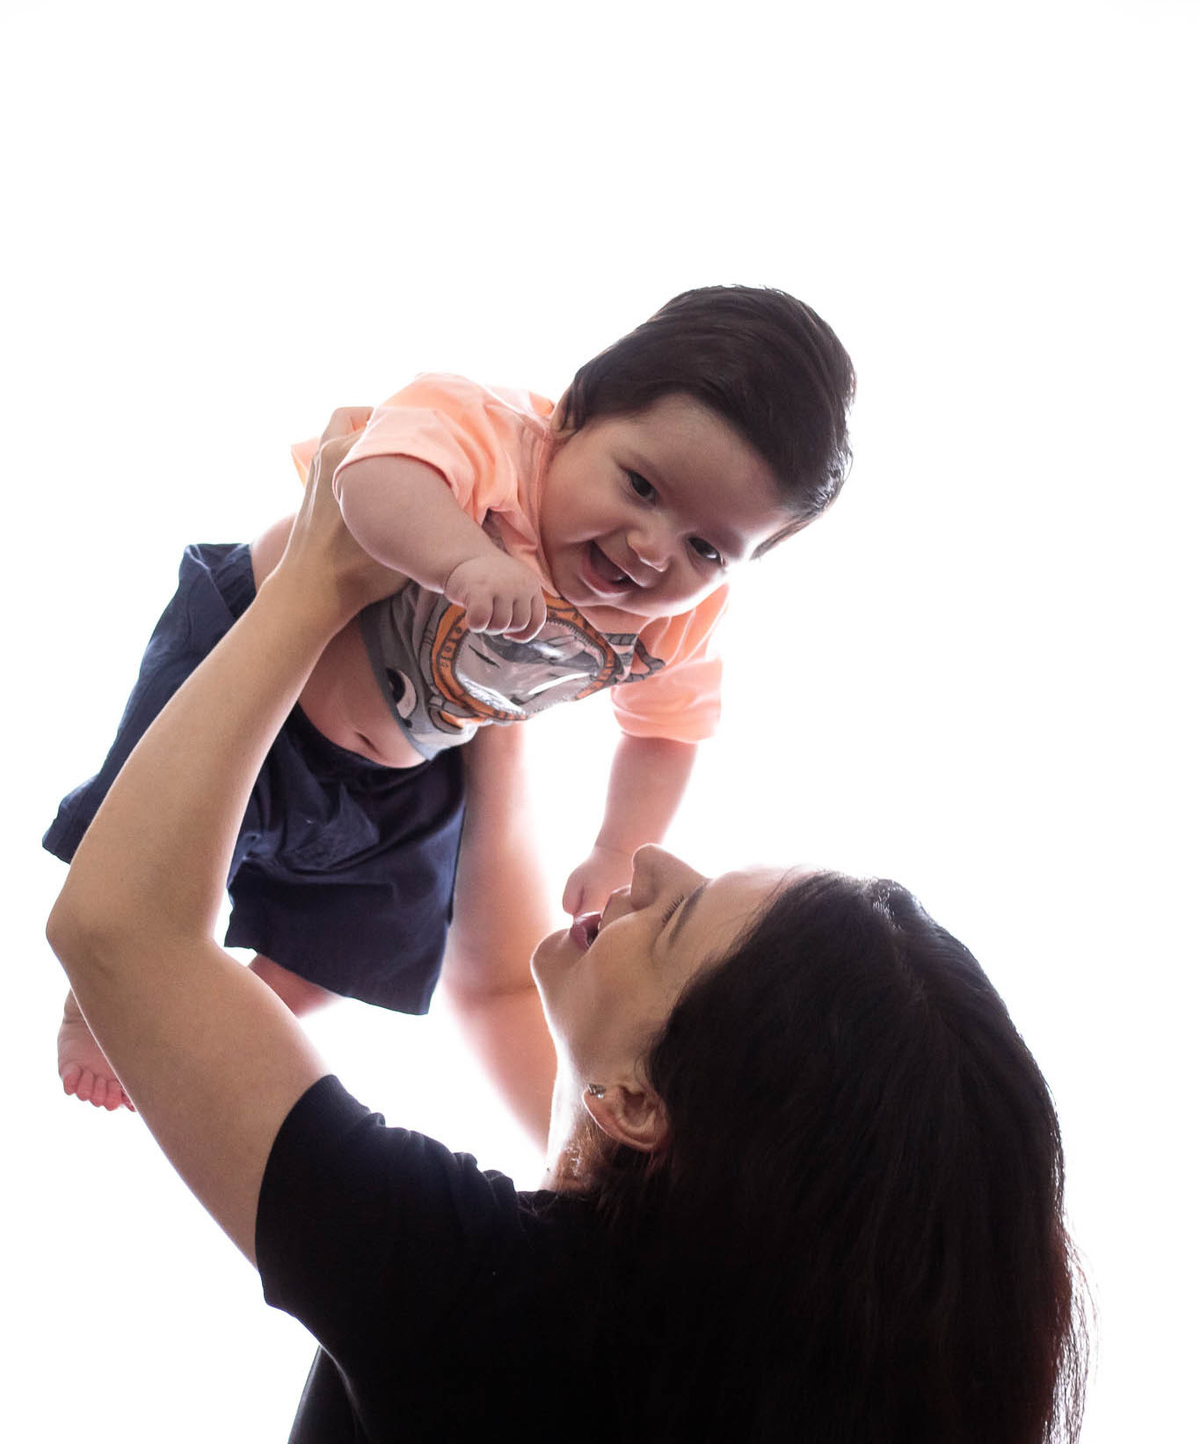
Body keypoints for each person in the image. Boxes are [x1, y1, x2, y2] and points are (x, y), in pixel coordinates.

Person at [46, 420, 1089, 1444]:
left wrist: (312, 585)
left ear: (638, 1103)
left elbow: (120, 931)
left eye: (676, 919)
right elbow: (501, 987)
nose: (652, 863)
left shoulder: (477, 1295)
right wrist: (488, 694)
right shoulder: (683, 1331)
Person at [44, 284, 856, 1132]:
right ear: (576, 414)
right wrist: (463, 556)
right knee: (154, 852)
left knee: (372, 944)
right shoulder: (493, 436)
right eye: (642, 486)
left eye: (707, 548)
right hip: (254, 674)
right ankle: (94, 1004)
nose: (653, 550)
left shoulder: (680, 624)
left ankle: (225, 1016)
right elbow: (370, 477)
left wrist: (618, 847)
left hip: (406, 768)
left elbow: (666, 734)